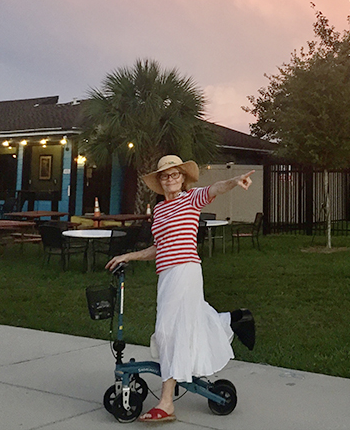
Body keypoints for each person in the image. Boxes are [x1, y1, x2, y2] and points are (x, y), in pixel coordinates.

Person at [106, 154, 256, 423]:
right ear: (160, 182)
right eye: (165, 176)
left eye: (175, 175)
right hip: (166, 274)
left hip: (185, 270)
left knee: (168, 330)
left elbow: (215, 188)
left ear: (183, 179)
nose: (170, 179)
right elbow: (158, 248)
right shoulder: (160, 211)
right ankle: (235, 320)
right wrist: (129, 256)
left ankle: (166, 403)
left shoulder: (192, 199)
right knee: (188, 322)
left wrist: (235, 180)